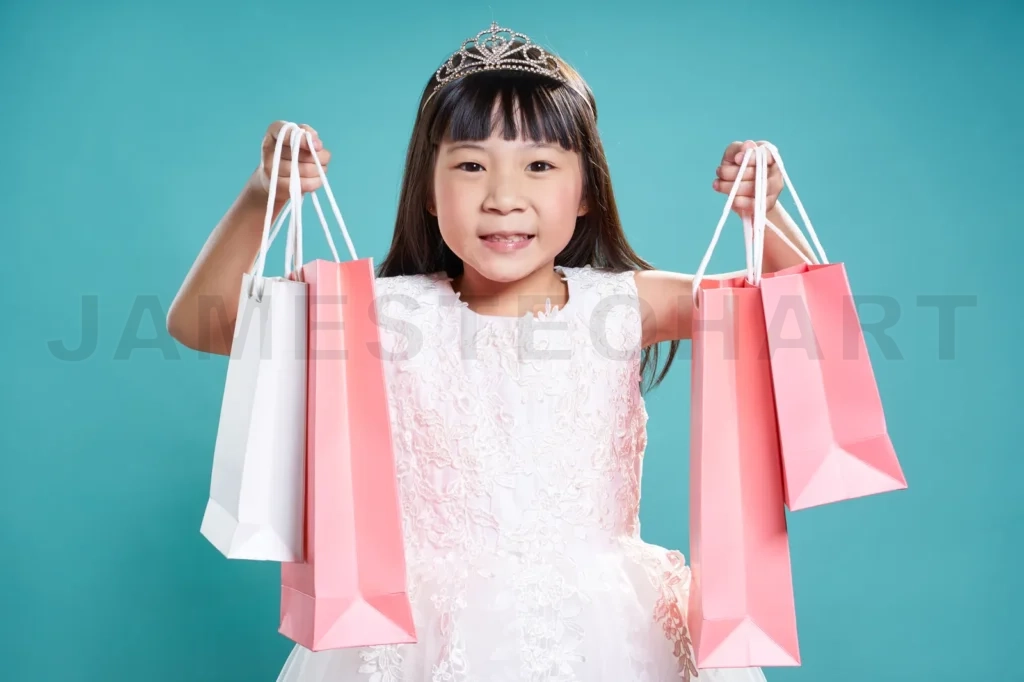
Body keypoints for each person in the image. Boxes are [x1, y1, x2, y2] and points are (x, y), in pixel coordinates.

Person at [167, 22, 818, 682]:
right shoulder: (385, 313)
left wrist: (766, 216)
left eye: (539, 166)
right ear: (427, 189)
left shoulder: (625, 303)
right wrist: (265, 198)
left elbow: (800, 327)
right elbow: (200, 322)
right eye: (471, 165)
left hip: (603, 632)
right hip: (417, 629)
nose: (504, 197)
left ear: (586, 189)